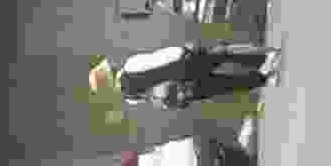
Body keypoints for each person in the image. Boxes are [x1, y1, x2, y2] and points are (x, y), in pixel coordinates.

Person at [96, 42, 270, 112]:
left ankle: (264, 79)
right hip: (185, 65)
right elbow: (160, 58)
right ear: (111, 71)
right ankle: (264, 58)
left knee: (226, 84)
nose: (112, 63)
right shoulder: (130, 66)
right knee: (224, 52)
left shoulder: (130, 98)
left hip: (184, 90)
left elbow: (155, 97)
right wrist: (183, 50)